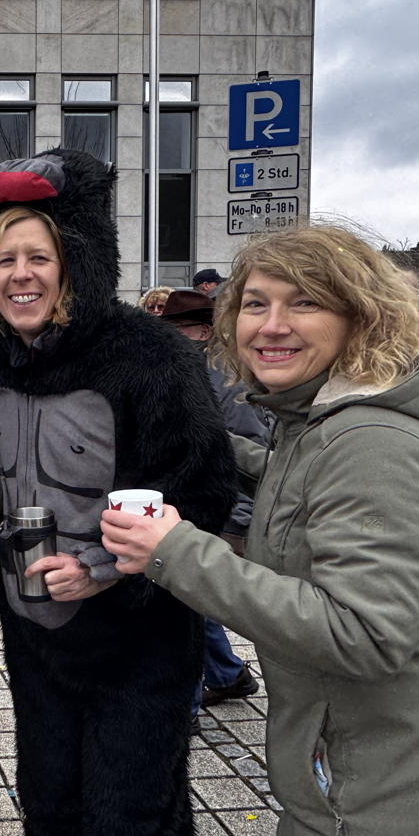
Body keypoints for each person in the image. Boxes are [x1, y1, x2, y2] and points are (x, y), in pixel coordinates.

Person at [102, 225, 419, 836]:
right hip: (367, 770)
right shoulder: (329, 416)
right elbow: (305, 487)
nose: (271, 325)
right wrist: (201, 444)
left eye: (305, 302)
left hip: (390, 806)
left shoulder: (371, 441)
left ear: (361, 316)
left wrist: (174, 551)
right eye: (255, 303)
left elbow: (364, 634)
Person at [0, 149, 236, 836]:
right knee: (53, 818)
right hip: (36, 642)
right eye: (4, 260)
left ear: (74, 263)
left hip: (138, 642)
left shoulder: (149, 355)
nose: (21, 275)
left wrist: (100, 569)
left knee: (131, 830)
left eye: (39, 257)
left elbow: (204, 492)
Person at [159, 289, 266, 726]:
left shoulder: (229, 381)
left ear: (202, 331)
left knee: (184, 601)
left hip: (218, 516)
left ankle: (183, 709)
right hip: (186, 510)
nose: (169, 338)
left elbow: (249, 456)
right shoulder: (182, 372)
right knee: (188, 598)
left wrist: (235, 524)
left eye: (178, 329)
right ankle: (226, 673)